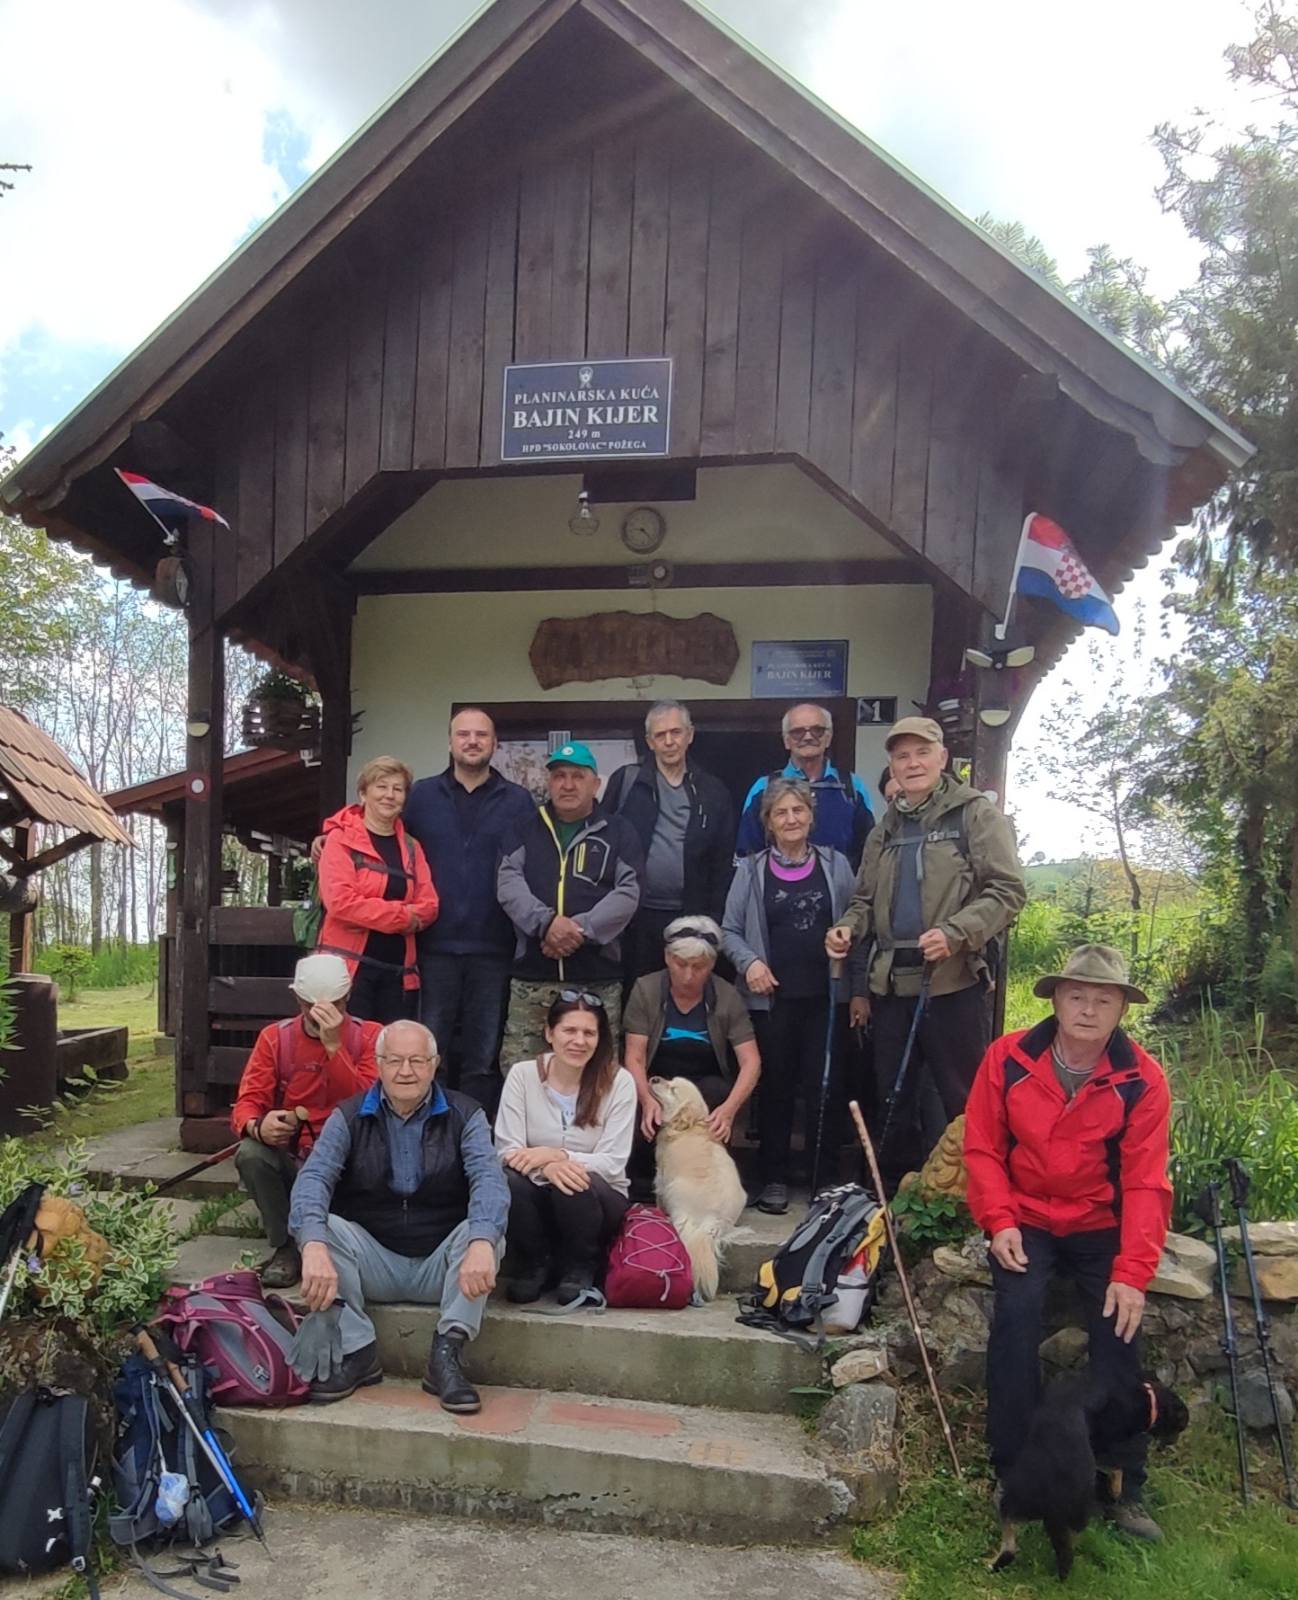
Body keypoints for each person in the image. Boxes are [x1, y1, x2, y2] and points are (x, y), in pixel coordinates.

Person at [963, 945, 1172, 1542]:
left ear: (1121, 1010)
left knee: (1120, 1327)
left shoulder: (1143, 1080)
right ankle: (1014, 1470)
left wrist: (1132, 1271)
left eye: (1103, 999)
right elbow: (981, 1147)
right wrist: (999, 1220)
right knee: (1017, 1317)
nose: (1087, 1009)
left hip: (1098, 1220)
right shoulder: (1007, 1059)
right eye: (1077, 995)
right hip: (1024, 1215)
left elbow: (1146, 1181)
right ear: (1054, 999)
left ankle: (1120, 1480)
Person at [825, 716, 1025, 1186]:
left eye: (921, 753)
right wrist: (846, 929)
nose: (911, 763)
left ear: (942, 758)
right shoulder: (887, 827)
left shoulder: (974, 814)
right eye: (901, 755)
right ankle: (893, 1205)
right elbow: (864, 900)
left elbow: (1008, 889)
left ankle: (978, 1196)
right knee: (892, 1100)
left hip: (952, 980)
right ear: (892, 765)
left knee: (963, 1097)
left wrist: (956, 932)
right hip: (892, 982)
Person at [288, 1018, 509, 1412]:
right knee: (325, 1229)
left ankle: (447, 1354)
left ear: (434, 1064)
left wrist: (481, 1240)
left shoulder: (466, 1114)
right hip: (375, 1261)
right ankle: (359, 1352)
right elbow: (314, 1179)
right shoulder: (350, 1115)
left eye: (417, 1061)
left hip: (443, 1267)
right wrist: (313, 1245)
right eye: (394, 1061)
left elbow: (489, 1181)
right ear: (378, 1064)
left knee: (484, 1233)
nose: (405, 1071)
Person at [722, 778, 866, 1214]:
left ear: (810, 816)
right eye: (781, 813)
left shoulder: (837, 865)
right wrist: (750, 963)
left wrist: (858, 991)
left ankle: (823, 1180)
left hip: (826, 997)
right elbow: (728, 930)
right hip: (773, 1000)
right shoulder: (750, 870)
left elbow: (857, 928)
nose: (790, 819)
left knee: (825, 1088)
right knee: (777, 1088)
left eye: (798, 811)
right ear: (768, 822)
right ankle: (775, 1179)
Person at [399, 709, 537, 1115]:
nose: (472, 741)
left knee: (482, 1057)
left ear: (495, 744)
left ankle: (472, 1144)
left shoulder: (518, 801)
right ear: (450, 742)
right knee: (429, 1051)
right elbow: (375, 827)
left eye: (481, 735)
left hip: (493, 947)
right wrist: (330, 835)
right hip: (433, 945)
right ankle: (426, 1140)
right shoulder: (420, 796)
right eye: (464, 734)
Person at [230, 953, 380, 1288]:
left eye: (335, 1005)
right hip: (297, 1153)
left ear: (348, 997)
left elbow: (366, 1104)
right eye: (311, 1005)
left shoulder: (370, 1037)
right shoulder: (275, 1038)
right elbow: (247, 1104)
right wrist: (260, 1126)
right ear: (298, 999)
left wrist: (334, 1049)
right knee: (252, 1154)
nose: (322, 1014)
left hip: (350, 1157)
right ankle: (286, 1245)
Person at [496, 741, 642, 1066]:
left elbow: (628, 892)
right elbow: (508, 884)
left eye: (578, 776)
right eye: (559, 775)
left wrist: (577, 930)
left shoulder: (619, 832)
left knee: (598, 1072)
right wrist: (546, 924)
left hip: (597, 976)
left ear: (596, 784)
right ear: (549, 782)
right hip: (533, 975)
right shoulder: (522, 828)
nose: (568, 784)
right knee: (522, 1071)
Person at [494, 991, 637, 1307]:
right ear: (549, 1033)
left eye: (589, 1033)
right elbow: (506, 1148)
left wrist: (559, 1156)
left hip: (599, 1199)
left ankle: (580, 1265)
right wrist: (547, 1167)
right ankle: (534, 1262)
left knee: (572, 1181)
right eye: (569, 1031)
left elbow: (613, 1163)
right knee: (506, 1179)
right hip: (536, 1191)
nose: (579, 1041)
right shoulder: (523, 1075)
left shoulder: (619, 1082)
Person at [604, 701, 735, 985]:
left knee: (687, 994)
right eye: (660, 735)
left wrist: (713, 922)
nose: (669, 741)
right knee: (638, 997)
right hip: (635, 918)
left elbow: (722, 863)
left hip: (692, 917)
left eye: (676, 732)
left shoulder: (713, 790)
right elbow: (602, 847)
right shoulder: (627, 782)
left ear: (690, 735)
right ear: (650, 742)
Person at [623, 915, 762, 1156]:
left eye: (698, 967)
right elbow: (634, 1057)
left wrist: (729, 1109)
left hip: (705, 1085)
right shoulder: (646, 989)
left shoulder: (727, 996)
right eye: (681, 964)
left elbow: (751, 1061)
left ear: (712, 964)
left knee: (716, 1094)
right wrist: (646, 1099)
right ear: (667, 958)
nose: (688, 976)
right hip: (657, 1081)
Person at [317, 756, 439, 1024]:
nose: (389, 795)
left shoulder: (411, 847)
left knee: (390, 1056)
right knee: (347, 1052)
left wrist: (375, 910)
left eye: (398, 789)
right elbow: (340, 903)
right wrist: (403, 916)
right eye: (381, 787)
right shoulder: (340, 840)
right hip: (349, 973)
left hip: (397, 977)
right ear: (363, 793)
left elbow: (429, 905)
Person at [735, 703, 874, 869]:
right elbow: (747, 856)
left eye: (817, 730)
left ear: (828, 738)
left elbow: (870, 853)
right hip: (778, 892)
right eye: (797, 732)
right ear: (786, 741)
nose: (808, 737)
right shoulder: (764, 788)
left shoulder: (853, 787)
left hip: (841, 891)